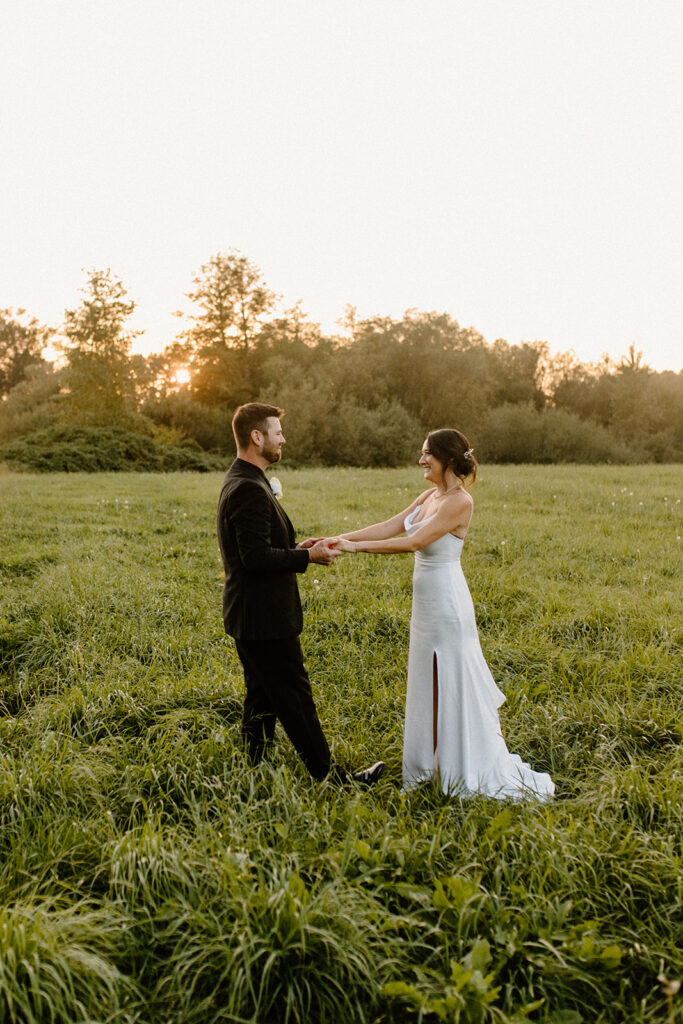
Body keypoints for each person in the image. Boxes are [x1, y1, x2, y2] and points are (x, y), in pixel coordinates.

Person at [330, 428, 554, 801]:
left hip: (448, 604)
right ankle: (427, 765)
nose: (420, 461)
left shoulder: (459, 502)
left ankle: (456, 766)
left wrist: (355, 549)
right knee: (426, 680)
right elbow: (391, 526)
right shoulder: (429, 496)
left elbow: (414, 541)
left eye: (426, 455)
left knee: (447, 680)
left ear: (447, 459)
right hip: (426, 607)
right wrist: (335, 538)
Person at [217, 402, 384, 787]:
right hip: (264, 617)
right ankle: (333, 780)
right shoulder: (247, 487)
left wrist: (296, 546)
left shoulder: (244, 478)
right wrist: (308, 556)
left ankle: (253, 772)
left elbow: (257, 545)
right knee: (295, 696)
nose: (283, 439)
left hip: (250, 615)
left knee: (261, 695)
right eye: (277, 433)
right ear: (257, 437)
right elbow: (255, 557)